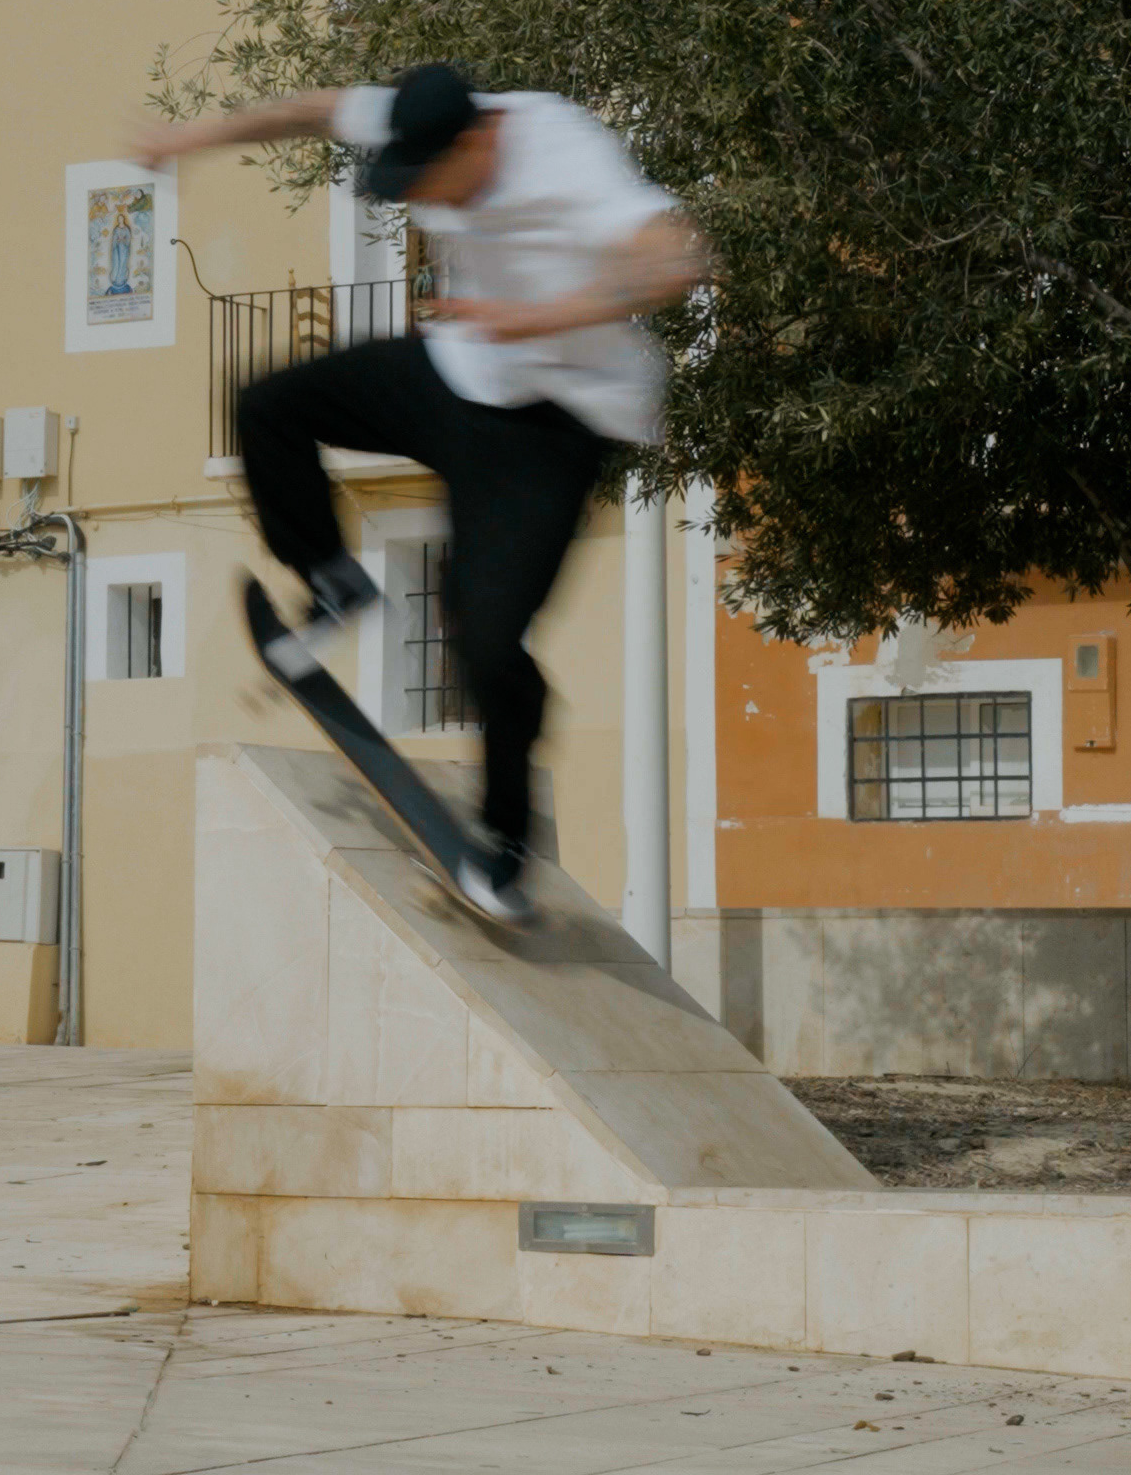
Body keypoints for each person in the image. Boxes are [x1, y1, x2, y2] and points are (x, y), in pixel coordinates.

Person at [129, 63, 706, 924]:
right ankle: (333, 578)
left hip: (554, 426)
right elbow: (309, 108)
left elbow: (675, 261)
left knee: (487, 638)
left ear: (476, 143)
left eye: (432, 184)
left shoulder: (565, 153)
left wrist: (533, 319)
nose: (426, 203)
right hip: (458, 375)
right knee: (271, 406)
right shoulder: (419, 119)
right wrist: (191, 137)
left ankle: (504, 839)